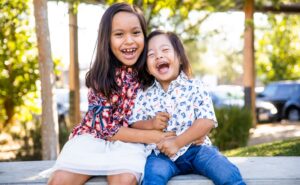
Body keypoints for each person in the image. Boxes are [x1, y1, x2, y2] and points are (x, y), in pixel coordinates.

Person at [47, 4, 175, 185]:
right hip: (93, 138)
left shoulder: (151, 71)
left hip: (132, 143)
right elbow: (105, 128)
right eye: (119, 34)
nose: (129, 40)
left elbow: (177, 97)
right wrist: (153, 136)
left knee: (124, 180)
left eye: (136, 33)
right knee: (59, 180)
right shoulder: (101, 76)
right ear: (106, 39)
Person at [129, 30, 246, 185]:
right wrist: (151, 124)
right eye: (151, 54)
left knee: (225, 172)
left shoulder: (196, 86)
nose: (158, 56)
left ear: (180, 58)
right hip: (160, 155)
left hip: (197, 150)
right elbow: (135, 122)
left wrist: (177, 142)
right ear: (147, 67)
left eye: (165, 50)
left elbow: (206, 121)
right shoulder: (144, 94)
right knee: (152, 178)